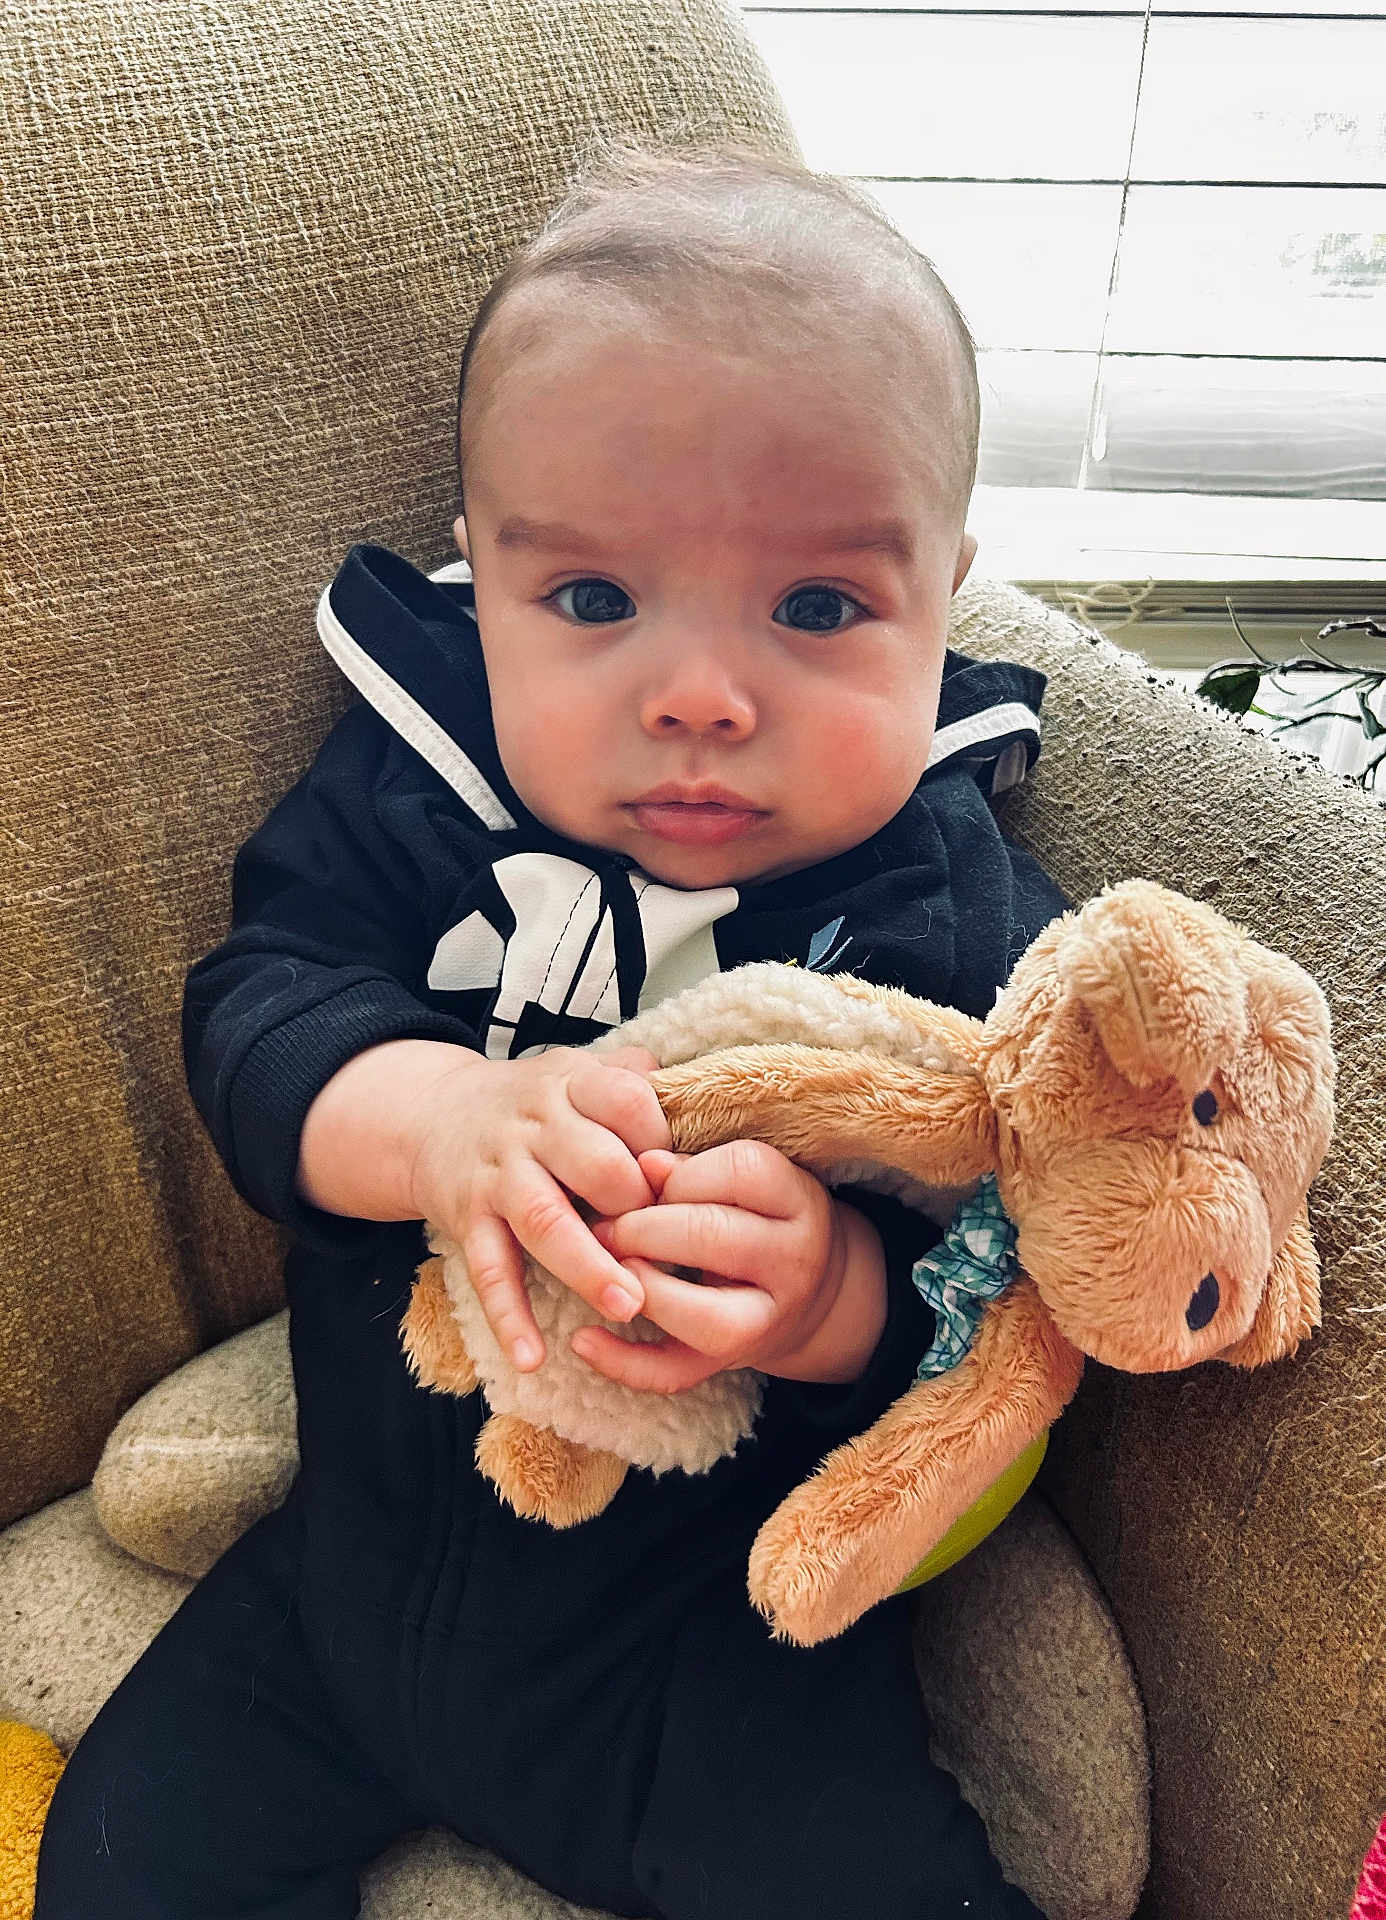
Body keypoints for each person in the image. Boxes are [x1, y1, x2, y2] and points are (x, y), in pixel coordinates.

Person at [36, 137, 1067, 1920]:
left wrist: (834, 1300)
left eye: (818, 608)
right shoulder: (418, 802)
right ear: (482, 580)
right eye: (590, 601)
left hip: (706, 1643)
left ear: (946, 591)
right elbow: (261, 1011)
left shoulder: (955, 921)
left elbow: (1010, 1297)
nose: (695, 695)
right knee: (117, 1864)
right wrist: (442, 1120)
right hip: (341, 1591)